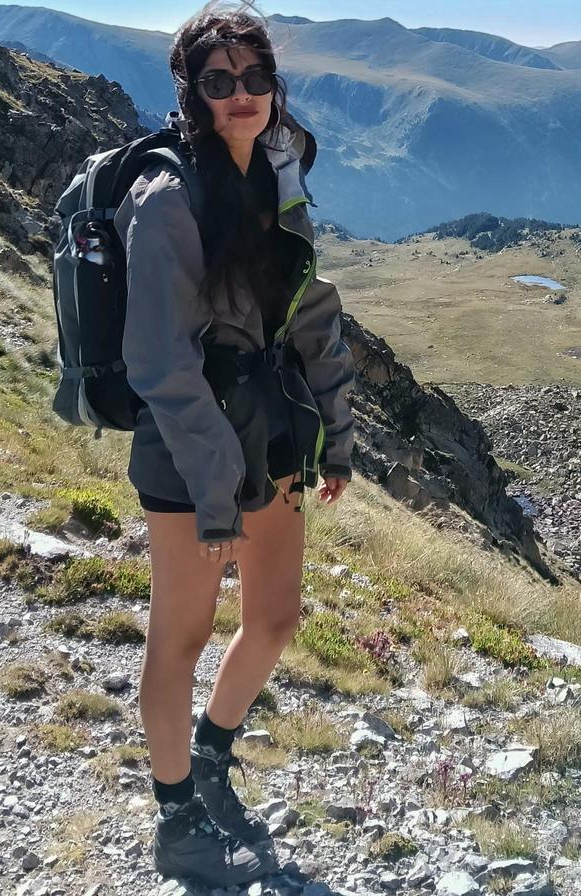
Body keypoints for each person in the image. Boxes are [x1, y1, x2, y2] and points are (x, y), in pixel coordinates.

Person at [113, 2, 355, 885]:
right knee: (179, 637)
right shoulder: (167, 197)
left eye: (257, 76)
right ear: (194, 93)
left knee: (276, 619)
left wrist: (334, 433)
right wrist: (217, 491)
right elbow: (159, 363)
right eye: (222, 81)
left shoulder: (277, 174)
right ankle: (176, 821)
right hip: (188, 454)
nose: (243, 93)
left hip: (273, 435)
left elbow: (310, 312)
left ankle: (212, 752)